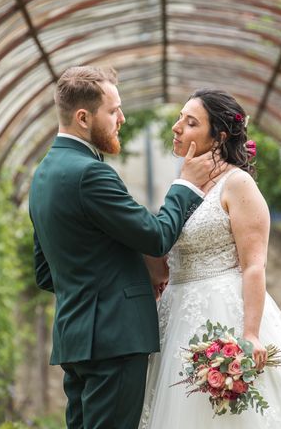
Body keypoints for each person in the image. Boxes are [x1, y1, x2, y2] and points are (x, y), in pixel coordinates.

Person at [29, 67, 223, 429]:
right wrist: (184, 185)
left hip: (75, 340)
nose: (122, 118)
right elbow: (155, 236)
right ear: (83, 117)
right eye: (113, 110)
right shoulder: (91, 173)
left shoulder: (43, 175)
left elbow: (46, 271)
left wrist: (107, 284)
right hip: (114, 340)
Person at [139, 89, 281, 428]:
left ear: (218, 136)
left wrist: (250, 332)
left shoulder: (238, 184)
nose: (176, 128)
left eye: (190, 122)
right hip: (174, 316)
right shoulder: (182, 186)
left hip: (224, 313)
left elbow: (253, 265)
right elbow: (164, 259)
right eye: (179, 118)